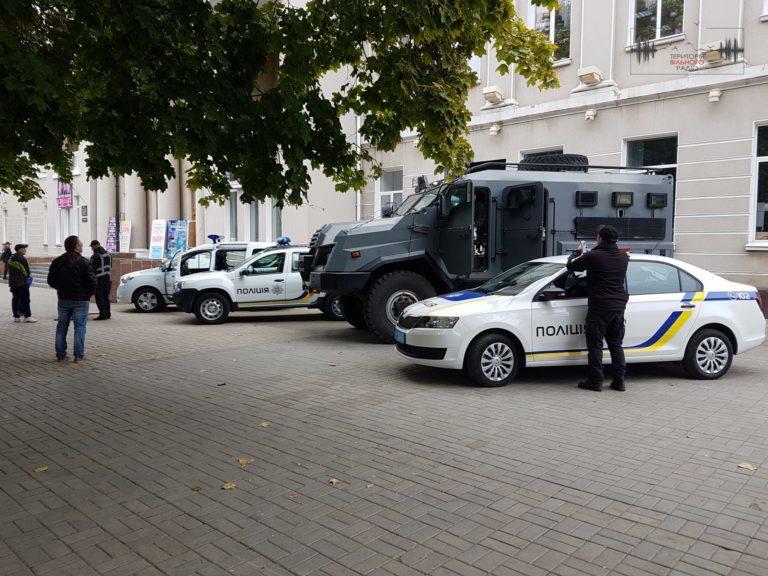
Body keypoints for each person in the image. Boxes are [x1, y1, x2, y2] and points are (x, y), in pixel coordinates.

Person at [566, 225, 629, 392]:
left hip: (600, 307)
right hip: (618, 307)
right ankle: (619, 381)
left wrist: (577, 251)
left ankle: (595, 381)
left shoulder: (594, 256)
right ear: (616, 240)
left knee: (595, 345)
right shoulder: (623, 257)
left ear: (600, 238)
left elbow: (571, 266)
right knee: (616, 344)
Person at [47, 235, 97, 362]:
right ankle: (78, 355)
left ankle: (60, 354)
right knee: (80, 327)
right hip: (81, 300)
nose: (82, 246)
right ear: (76, 246)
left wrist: (61, 288)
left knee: (61, 326)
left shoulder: (57, 261)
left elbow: (51, 281)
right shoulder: (85, 262)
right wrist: (88, 294)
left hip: (63, 298)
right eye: (80, 244)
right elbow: (92, 282)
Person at [7, 243, 37, 323]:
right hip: (22, 283)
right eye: (24, 249)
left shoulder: (11, 257)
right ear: (19, 250)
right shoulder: (22, 259)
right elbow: (26, 271)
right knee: (25, 299)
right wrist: (28, 276)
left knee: (15, 299)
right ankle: (27, 316)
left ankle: (16, 317)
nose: (25, 250)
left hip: (13, 282)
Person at [89, 240, 113, 320]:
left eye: (92, 247)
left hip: (99, 279)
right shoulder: (109, 255)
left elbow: (92, 269)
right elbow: (110, 266)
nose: (92, 248)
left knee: (99, 297)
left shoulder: (95, 256)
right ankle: (108, 314)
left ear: (95, 246)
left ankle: (102, 315)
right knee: (106, 296)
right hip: (107, 278)